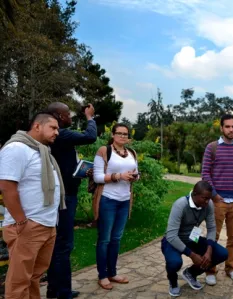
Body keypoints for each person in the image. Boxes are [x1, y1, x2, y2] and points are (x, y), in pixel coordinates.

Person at [0, 112, 66, 299]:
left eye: (58, 129)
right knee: (19, 281)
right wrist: (21, 222)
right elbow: (6, 186)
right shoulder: (16, 148)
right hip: (28, 225)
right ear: (37, 126)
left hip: (46, 224)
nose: (57, 133)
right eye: (53, 128)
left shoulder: (41, 151)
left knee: (34, 277)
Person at [46, 102, 97, 299]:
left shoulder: (57, 137)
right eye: (67, 114)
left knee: (58, 243)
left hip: (62, 192)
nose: (70, 117)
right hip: (65, 196)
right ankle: (62, 292)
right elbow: (90, 136)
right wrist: (90, 117)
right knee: (63, 244)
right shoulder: (62, 134)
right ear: (59, 115)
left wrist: (79, 171)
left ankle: (55, 289)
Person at [201, 114, 233, 285]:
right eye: (228, 127)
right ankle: (210, 270)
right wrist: (214, 194)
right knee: (212, 237)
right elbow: (205, 173)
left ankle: (231, 268)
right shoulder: (212, 148)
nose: (231, 130)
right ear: (221, 128)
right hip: (217, 201)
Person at [161, 181, 228, 297]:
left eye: (209, 198)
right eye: (204, 198)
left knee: (221, 253)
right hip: (173, 241)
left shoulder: (209, 204)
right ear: (195, 194)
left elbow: (212, 228)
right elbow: (171, 236)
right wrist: (192, 255)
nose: (207, 202)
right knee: (175, 263)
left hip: (192, 238)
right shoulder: (180, 205)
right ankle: (173, 282)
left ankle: (191, 273)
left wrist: (209, 250)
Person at [93, 123, 139, 290]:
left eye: (125, 134)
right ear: (112, 135)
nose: (122, 136)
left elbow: (136, 173)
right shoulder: (104, 151)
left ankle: (112, 272)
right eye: (119, 133)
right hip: (107, 199)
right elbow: (97, 177)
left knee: (116, 239)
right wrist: (119, 176)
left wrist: (134, 177)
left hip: (124, 200)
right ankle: (102, 275)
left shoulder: (132, 153)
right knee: (104, 239)